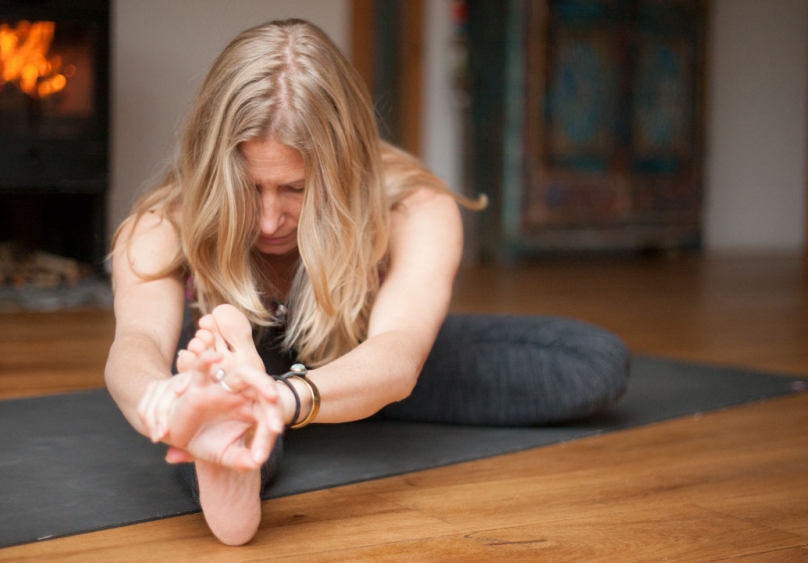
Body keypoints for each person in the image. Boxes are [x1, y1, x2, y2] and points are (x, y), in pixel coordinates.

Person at [105, 19, 629, 546]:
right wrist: (169, 402)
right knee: (216, 407)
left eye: (295, 188)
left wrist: (278, 401)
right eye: (249, 187)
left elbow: (399, 352)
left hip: (359, 359)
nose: (268, 221)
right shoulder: (163, 223)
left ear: (343, 167)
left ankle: (285, 407)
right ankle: (221, 441)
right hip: (232, 364)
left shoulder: (412, 207)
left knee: (593, 361)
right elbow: (136, 345)